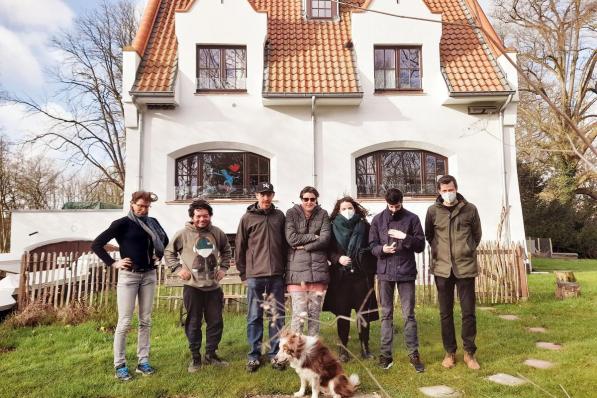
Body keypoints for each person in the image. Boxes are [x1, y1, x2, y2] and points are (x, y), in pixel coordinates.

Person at [91, 191, 168, 381]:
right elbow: (97, 244)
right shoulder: (122, 224)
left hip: (149, 275)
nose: (143, 209)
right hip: (129, 277)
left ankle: (143, 361)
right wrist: (113, 263)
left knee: (146, 320)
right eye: (140, 205)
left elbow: (164, 239)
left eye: (147, 206)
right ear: (132, 204)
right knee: (125, 322)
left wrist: (158, 255)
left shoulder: (153, 222)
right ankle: (120, 365)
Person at [164, 199, 231, 372]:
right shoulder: (183, 234)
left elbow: (226, 251)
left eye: (206, 216)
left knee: (215, 322)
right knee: (193, 322)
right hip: (193, 288)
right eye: (199, 216)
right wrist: (178, 269)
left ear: (210, 216)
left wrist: (223, 268)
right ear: (192, 217)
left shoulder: (217, 233)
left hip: (213, 288)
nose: (202, 219)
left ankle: (211, 354)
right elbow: (169, 252)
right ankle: (195, 357)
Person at [425, 175, 482, 370]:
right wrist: (439, 253)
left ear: (456, 189)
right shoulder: (432, 211)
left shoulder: (470, 209)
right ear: (439, 192)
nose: (448, 193)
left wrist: (466, 249)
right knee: (445, 313)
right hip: (442, 269)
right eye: (444, 190)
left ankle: (469, 353)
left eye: (451, 190)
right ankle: (449, 353)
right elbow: (429, 236)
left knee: (468, 313)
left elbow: (477, 235)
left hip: (465, 268)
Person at [369, 188, 425, 372]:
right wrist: (381, 250)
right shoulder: (377, 220)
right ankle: (386, 355)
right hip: (384, 272)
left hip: (406, 271)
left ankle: (413, 354)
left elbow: (420, 245)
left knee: (408, 314)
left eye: (397, 205)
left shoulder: (412, 218)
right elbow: (371, 246)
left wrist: (405, 237)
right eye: (391, 206)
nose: (394, 209)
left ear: (402, 202)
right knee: (386, 314)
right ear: (386, 202)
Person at [235, 182, 287, 373]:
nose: (266, 198)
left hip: (276, 275)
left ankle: (275, 354)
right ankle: (254, 356)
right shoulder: (247, 218)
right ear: (256, 195)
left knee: (276, 316)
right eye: (262, 194)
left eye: (269, 194)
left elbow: (285, 245)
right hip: (255, 276)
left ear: (273, 195)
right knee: (254, 316)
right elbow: (240, 247)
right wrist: (243, 273)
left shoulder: (279, 216)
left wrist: (285, 272)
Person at [322, 196, 378, 362]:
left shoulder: (364, 226)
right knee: (342, 314)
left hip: (361, 276)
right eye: (344, 208)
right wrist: (338, 258)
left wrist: (364, 259)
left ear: (355, 209)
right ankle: (343, 349)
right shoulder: (332, 228)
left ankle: (364, 347)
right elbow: (327, 250)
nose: (347, 211)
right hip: (340, 277)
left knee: (363, 314)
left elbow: (372, 246)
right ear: (338, 211)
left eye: (350, 208)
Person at [285, 186, 331, 337]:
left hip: (318, 272)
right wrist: (313, 236)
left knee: (314, 316)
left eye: (312, 199)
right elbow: (291, 238)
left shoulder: (323, 214)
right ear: (301, 200)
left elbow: (325, 239)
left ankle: (312, 351)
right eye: (306, 199)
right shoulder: (291, 213)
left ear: (316, 200)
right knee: (298, 315)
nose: (309, 202)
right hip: (297, 274)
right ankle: (294, 350)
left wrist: (303, 246)